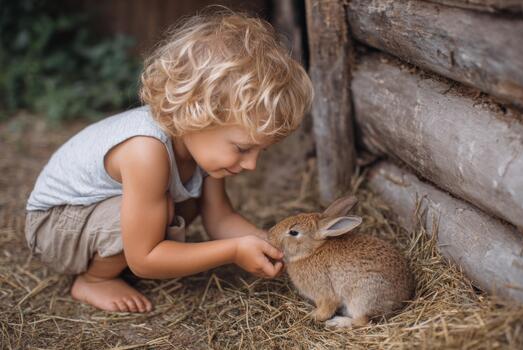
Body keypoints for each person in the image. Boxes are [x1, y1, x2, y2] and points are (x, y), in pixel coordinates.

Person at [24, 9, 313, 313]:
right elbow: (144, 259)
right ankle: (94, 280)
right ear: (197, 115)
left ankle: (114, 256)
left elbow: (220, 219)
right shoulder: (146, 152)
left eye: (260, 152)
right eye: (243, 148)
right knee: (164, 209)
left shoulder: (206, 151)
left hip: (90, 218)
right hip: (54, 227)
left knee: (183, 204)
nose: (251, 164)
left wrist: (270, 245)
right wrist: (233, 251)